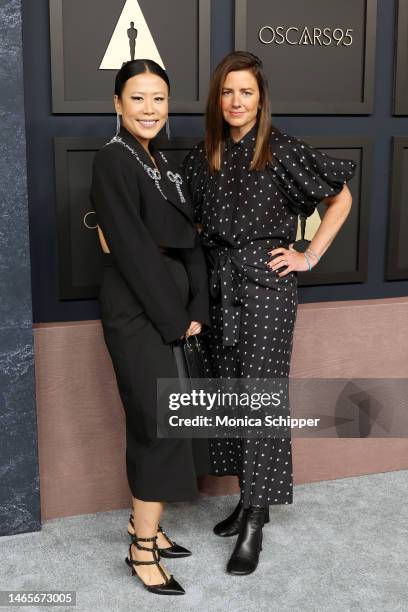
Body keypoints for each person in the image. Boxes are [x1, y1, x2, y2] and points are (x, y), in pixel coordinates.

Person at [182, 51, 356, 575]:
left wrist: (309, 254)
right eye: (228, 92)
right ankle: (244, 498)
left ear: (261, 99)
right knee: (230, 395)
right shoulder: (203, 154)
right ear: (217, 98)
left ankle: (257, 516)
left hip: (266, 291)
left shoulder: (280, 150)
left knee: (260, 398)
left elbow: (340, 198)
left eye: (247, 92)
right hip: (218, 287)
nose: (237, 101)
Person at [90, 59, 210, 596]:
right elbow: (135, 252)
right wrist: (173, 319)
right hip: (139, 311)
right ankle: (140, 550)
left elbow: (192, 239)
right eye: (137, 98)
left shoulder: (162, 162)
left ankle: (150, 528)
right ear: (118, 104)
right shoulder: (112, 161)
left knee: (165, 419)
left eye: (158, 98)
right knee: (157, 422)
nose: (149, 109)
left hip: (172, 308)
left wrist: (198, 309)